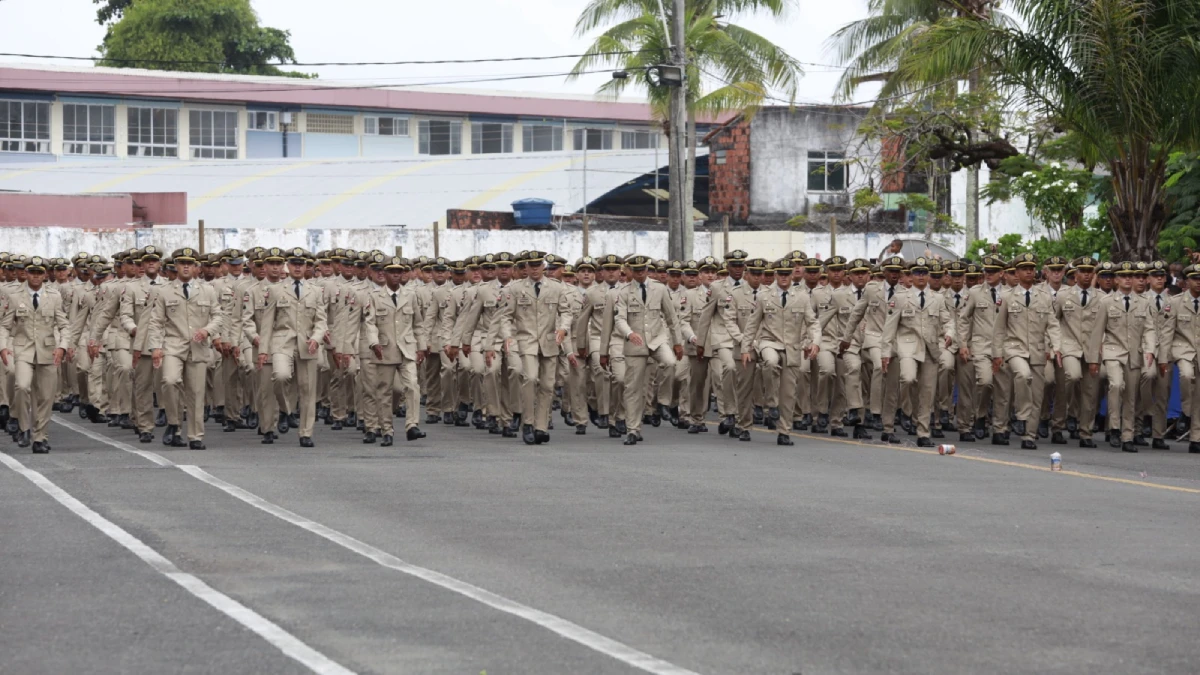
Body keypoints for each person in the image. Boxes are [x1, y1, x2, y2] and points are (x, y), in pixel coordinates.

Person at [145, 248, 225, 449]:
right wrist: (155, 346)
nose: (186, 266)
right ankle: (174, 422)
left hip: (198, 347)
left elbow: (218, 316)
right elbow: (155, 322)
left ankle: (195, 435)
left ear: (197, 267)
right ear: (176, 266)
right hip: (173, 345)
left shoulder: (207, 290)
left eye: (190, 263)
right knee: (170, 381)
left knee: (197, 393)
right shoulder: (164, 291)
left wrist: (207, 331)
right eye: (182, 263)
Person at [0, 256, 71, 453]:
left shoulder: (54, 296)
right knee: (21, 386)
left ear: (45, 275)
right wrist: (2, 347)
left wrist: (62, 346)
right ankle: (23, 427)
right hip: (22, 350)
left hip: (48, 351)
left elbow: (64, 325)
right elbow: (5, 326)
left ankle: (40, 437)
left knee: (46, 397)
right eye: (32, 272)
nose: (36, 276)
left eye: (40, 273)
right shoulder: (15, 296)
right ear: (27, 273)